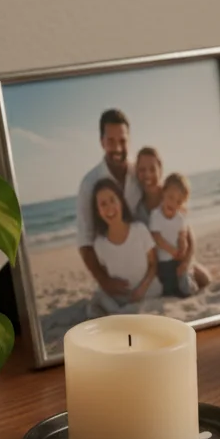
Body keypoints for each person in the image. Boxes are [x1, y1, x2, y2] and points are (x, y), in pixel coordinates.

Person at [124, 146, 213, 292]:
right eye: (142, 170)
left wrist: (186, 262)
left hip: (180, 260)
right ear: (137, 173)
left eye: (152, 169)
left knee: (205, 279)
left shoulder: (172, 197)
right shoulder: (138, 210)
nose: (147, 174)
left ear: (160, 170)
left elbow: (189, 237)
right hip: (160, 266)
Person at [76, 109, 143, 299]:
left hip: (146, 265)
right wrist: (104, 281)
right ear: (102, 142)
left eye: (122, 141)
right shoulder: (89, 183)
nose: (118, 148)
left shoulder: (139, 173)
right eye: (111, 141)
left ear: (129, 140)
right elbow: (85, 239)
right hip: (115, 273)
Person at [87, 178, 161, 316]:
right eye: (103, 204)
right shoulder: (99, 244)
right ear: (98, 211)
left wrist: (141, 289)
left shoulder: (139, 230)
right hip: (121, 298)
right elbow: (106, 273)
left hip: (148, 291)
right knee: (98, 301)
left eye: (112, 200)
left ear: (120, 201)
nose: (109, 208)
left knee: (131, 311)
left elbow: (153, 264)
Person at [148, 173, 198, 297]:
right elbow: (156, 237)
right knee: (169, 288)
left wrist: (182, 249)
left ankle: (188, 286)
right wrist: (172, 250)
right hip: (164, 261)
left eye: (178, 201)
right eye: (170, 197)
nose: (173, 203)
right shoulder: (156, 215)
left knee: (184, 283)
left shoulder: (180, 218)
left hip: (178, 258)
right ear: (163, 192)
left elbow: (182, 236)